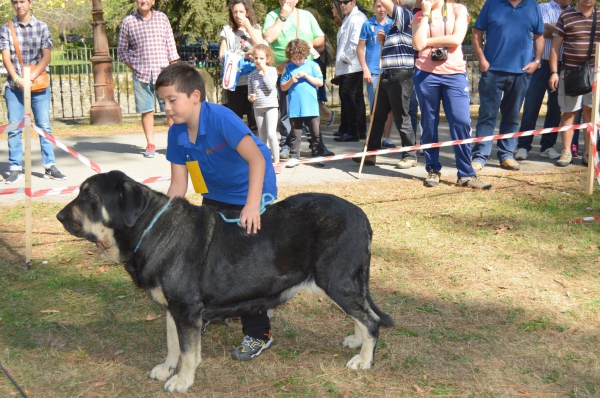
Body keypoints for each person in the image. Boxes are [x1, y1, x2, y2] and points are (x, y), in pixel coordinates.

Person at [155, 62, 277, 361]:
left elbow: (257, 162)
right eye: (163, 102)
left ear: (195, 96)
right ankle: (207, 313)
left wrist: (251, 205)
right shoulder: (176, 134)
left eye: (173, 100)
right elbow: (179, 185)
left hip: (251, 192)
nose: (167, 108)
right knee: (207, 259)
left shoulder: (221, 119)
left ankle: (258, 333)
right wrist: (158, 219)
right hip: (214, 196)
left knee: (245, 266)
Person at [411, 0, 491, 189]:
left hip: (454, 75)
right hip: (425, 74)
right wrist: (425, 13)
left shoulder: (457, 9)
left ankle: (466, 173)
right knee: (429, 124)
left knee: (461, 121)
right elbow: (416, 44)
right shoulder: (419, 14)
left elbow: (456, 39)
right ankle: (432, 169)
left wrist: (427, 42)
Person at [470, 0, 544, 172]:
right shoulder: (492, 3)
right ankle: (480, 156)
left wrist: (537, 62)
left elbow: (540, 36)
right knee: (487, 115)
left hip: (521, 72)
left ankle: (506, 155)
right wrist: (482, 59)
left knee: (511, 116)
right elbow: (476, 33)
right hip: (492, 71)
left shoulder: (532, 5)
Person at [0, 0, 66, 184]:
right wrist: (17, 79)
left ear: (30, 3)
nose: (18, 5)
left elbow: (46, 56)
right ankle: (15, 167)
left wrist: (30, 78)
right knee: (14, 127)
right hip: (15, 88)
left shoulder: (42, 27)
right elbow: (6, 58)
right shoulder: (7, 28)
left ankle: (49, 165)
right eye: (15, 2)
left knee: (44, 126)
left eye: (22, 1)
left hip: (38, 85)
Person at [263, 0, 325, 160]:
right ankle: (286, 145)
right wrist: (282, 16)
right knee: (286, 112)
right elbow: (268, 38)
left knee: (311, 113)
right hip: (283, 71)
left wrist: (308, 45)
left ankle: (317, 146)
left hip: (306, 73)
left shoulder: (306, 16)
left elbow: (321, 40)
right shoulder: (272, 15)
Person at [359, 0, 418, 169]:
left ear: (398, 3)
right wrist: (384, 41)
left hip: (400, 74)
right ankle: (371, 153)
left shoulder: (406, 15)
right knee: (377, 115)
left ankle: (410, 154)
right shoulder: (396, 23)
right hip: (388, 73)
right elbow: (399, 46)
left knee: (402, 115)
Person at [118, 0, 179, 158]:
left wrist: (175, 69)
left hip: (164, 74)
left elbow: (170, 45)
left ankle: (175, 144)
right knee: (146, 111)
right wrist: (134, 67)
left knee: (171, 110)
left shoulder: (162, 18)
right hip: (141, 75)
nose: (144, 1)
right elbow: (122, 50)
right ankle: (150, 144)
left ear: (153, 1)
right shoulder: (129, 21)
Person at [515, 0, 571, 162]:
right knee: (531, 106)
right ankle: (524, 145)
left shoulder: (573, 12)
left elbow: (551, 30)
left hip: (562, 66)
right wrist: (564, 29)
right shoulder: (542, 8)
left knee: (555, 108)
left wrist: (554, 29)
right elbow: (541, 30)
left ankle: (547, 146)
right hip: (540, 65)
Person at [549, 0, 600, 167]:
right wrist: (555, 72)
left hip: (595, 73)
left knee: (590, 112)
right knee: (569, 113)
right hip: (570, 73)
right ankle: (566, 151)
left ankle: (588, 153)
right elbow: (555, 47)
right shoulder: (566, 15)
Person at [280, 39, 334, 167]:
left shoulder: (313, 65)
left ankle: (318, 154)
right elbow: (283, 87)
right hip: (295, 107)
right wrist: (291, 80)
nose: (298, 61)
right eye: (295, 58)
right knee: (295, 133)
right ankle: (294, 156)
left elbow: (320, 83)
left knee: (315, 132)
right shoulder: (288, 68)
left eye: (300, 58)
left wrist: (307, 76)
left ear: (305, 54)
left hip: (311, 107)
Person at [219, 0, 264, 134]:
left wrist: (248, 27)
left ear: (247, 12)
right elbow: (222, 55)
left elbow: (262, 48)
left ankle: (256, 148)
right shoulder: (227, 30)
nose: (238, 15)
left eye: (241, 12)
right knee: (235, 119)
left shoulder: (256, 28)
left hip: (254, 80)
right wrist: (240, 56)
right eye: (235, 12)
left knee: (254, 119)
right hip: (235, 81)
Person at [357, 0, 395, 148]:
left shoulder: (392, 24)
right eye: (378, 6)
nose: (381, 9)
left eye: (384, 6)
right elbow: (360, 49)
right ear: (373, 7)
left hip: (388, 70)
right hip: (373, 72)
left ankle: (387, 137)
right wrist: (365, 69)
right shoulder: (368, 24)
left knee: (389, 107)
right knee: (375, 107)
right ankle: (374, 139)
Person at [333, 0, 367, 143]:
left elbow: (355, 43)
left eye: (345, 2)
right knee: (355, 97)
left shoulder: (357, 18)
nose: (342, 5)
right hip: (349, 65)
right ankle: (357, 130)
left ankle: (353, 131)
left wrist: (343, 60)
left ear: (353, 2)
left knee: (348, 96)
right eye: (340, 2)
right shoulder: (349, 18)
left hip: (352, 65)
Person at [248, 44, 281, 172]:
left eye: (261, 58)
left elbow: (271, 86)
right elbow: (251, 91)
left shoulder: (272, 71)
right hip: (258, 107)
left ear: (267, 59)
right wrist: (251, 97)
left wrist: (265, 72)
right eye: (256, 58)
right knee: (261, 136)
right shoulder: (252, 75)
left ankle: (277, 161)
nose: (258, 61)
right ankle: (264, 161)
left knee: (271, 134)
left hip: (271, 106)